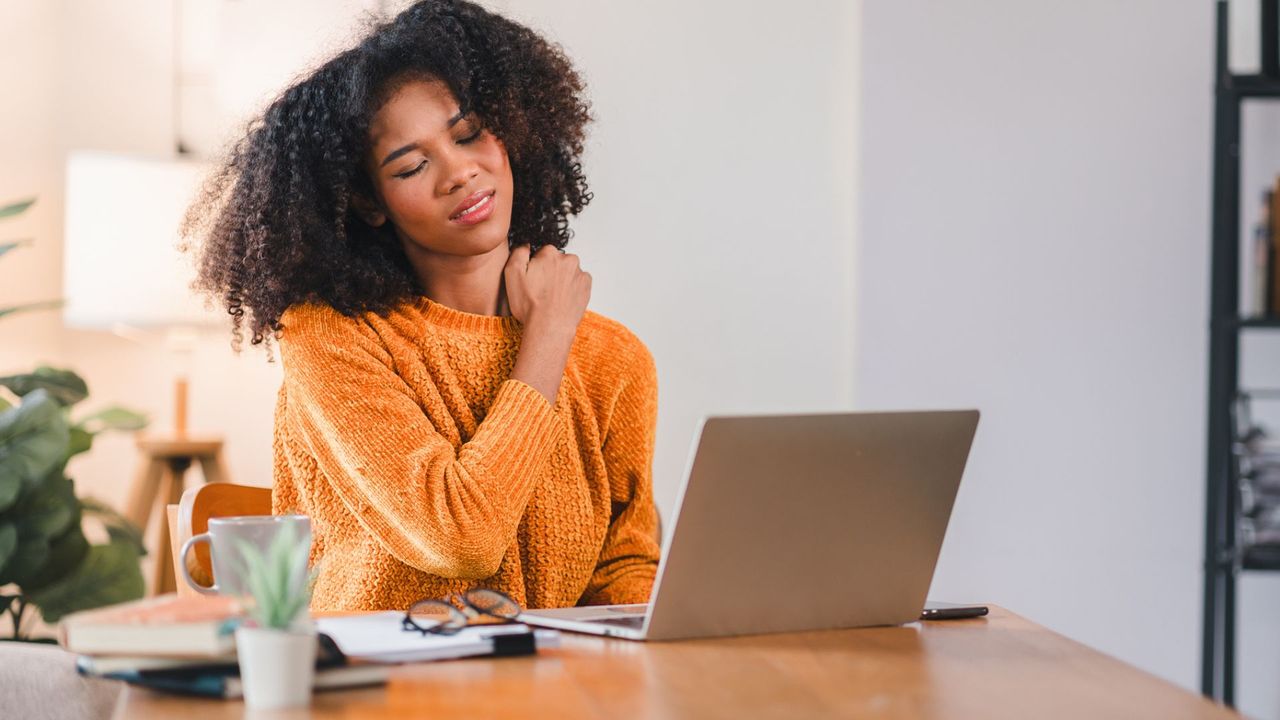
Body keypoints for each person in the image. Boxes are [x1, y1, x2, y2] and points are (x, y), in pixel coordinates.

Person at [181, 0, 661, 612]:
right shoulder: (332, 338)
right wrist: (547, 336)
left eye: (469, 134)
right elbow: (460, 538)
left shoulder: (614, 359)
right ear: (370, 202)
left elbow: (625, 565)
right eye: (411, 166)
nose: (459, 172)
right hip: (379, 692)